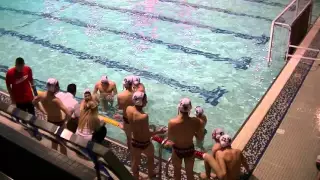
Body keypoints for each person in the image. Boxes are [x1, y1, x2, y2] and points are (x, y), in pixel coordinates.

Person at [126, 92, 166, 179]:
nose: (147, 102)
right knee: (150, 159)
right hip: (145, 143)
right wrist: (159, 131)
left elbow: (133, 124)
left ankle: (135, 177)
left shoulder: (128, 109)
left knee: (135, 162)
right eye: (145, 100)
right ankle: (150, 174)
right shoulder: (143, 116)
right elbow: (147, 133)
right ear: (140, 102)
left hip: (134, 141)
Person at [165, 98, 202, 180]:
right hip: (189, 150)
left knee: (177, 173)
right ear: (190, 108)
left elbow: (170, 140)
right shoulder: (196, 121)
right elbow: (200, 137)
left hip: (177, 150)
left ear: (179, 107)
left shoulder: (172, 122)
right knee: (189, 174)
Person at [33, 78, 71, 155]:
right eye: (57, 86)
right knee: (63, 144)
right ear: (55, 87)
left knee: (54, 142)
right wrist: (65, 122)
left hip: (50, 122)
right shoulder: (56, 100)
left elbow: (34, 102)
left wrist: (42, 111)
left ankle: (53, 157)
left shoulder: (42, 95)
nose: (59, 87)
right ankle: (64, 160)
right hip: (59, 123)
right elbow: (68, 113)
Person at [5, 57, 41, 140]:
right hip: (19, 100)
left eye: (22, 66)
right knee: (22, 116)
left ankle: (36, 131)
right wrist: (12, 96)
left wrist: (35, 93)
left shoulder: (27, 69)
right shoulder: (10, 73)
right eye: (19, 67)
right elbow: (8, 85)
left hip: (29, 98)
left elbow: (31, 81)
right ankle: (25, 128)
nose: (21, 69)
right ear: (16, 65)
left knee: (32, 116)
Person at [116, 75, 134, 150]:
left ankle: (131, 152)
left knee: (129, 138)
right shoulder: (136, 94)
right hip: (136, 118)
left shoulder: (120, 96)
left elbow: (120, 107)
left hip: (127, 119)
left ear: (124, 84)